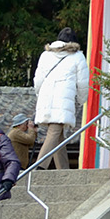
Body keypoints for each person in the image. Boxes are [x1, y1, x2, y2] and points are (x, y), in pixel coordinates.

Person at [32, 29, 89, 170]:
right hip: (64, 98)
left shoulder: (46, 55)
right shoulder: (77, 57)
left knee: (58, 134)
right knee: (55, 132)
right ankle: (39, 167)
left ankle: (63, 170)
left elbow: (38, 79)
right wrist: (82, 100)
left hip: (46, 96)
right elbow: (83, 83)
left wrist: (40, 95)